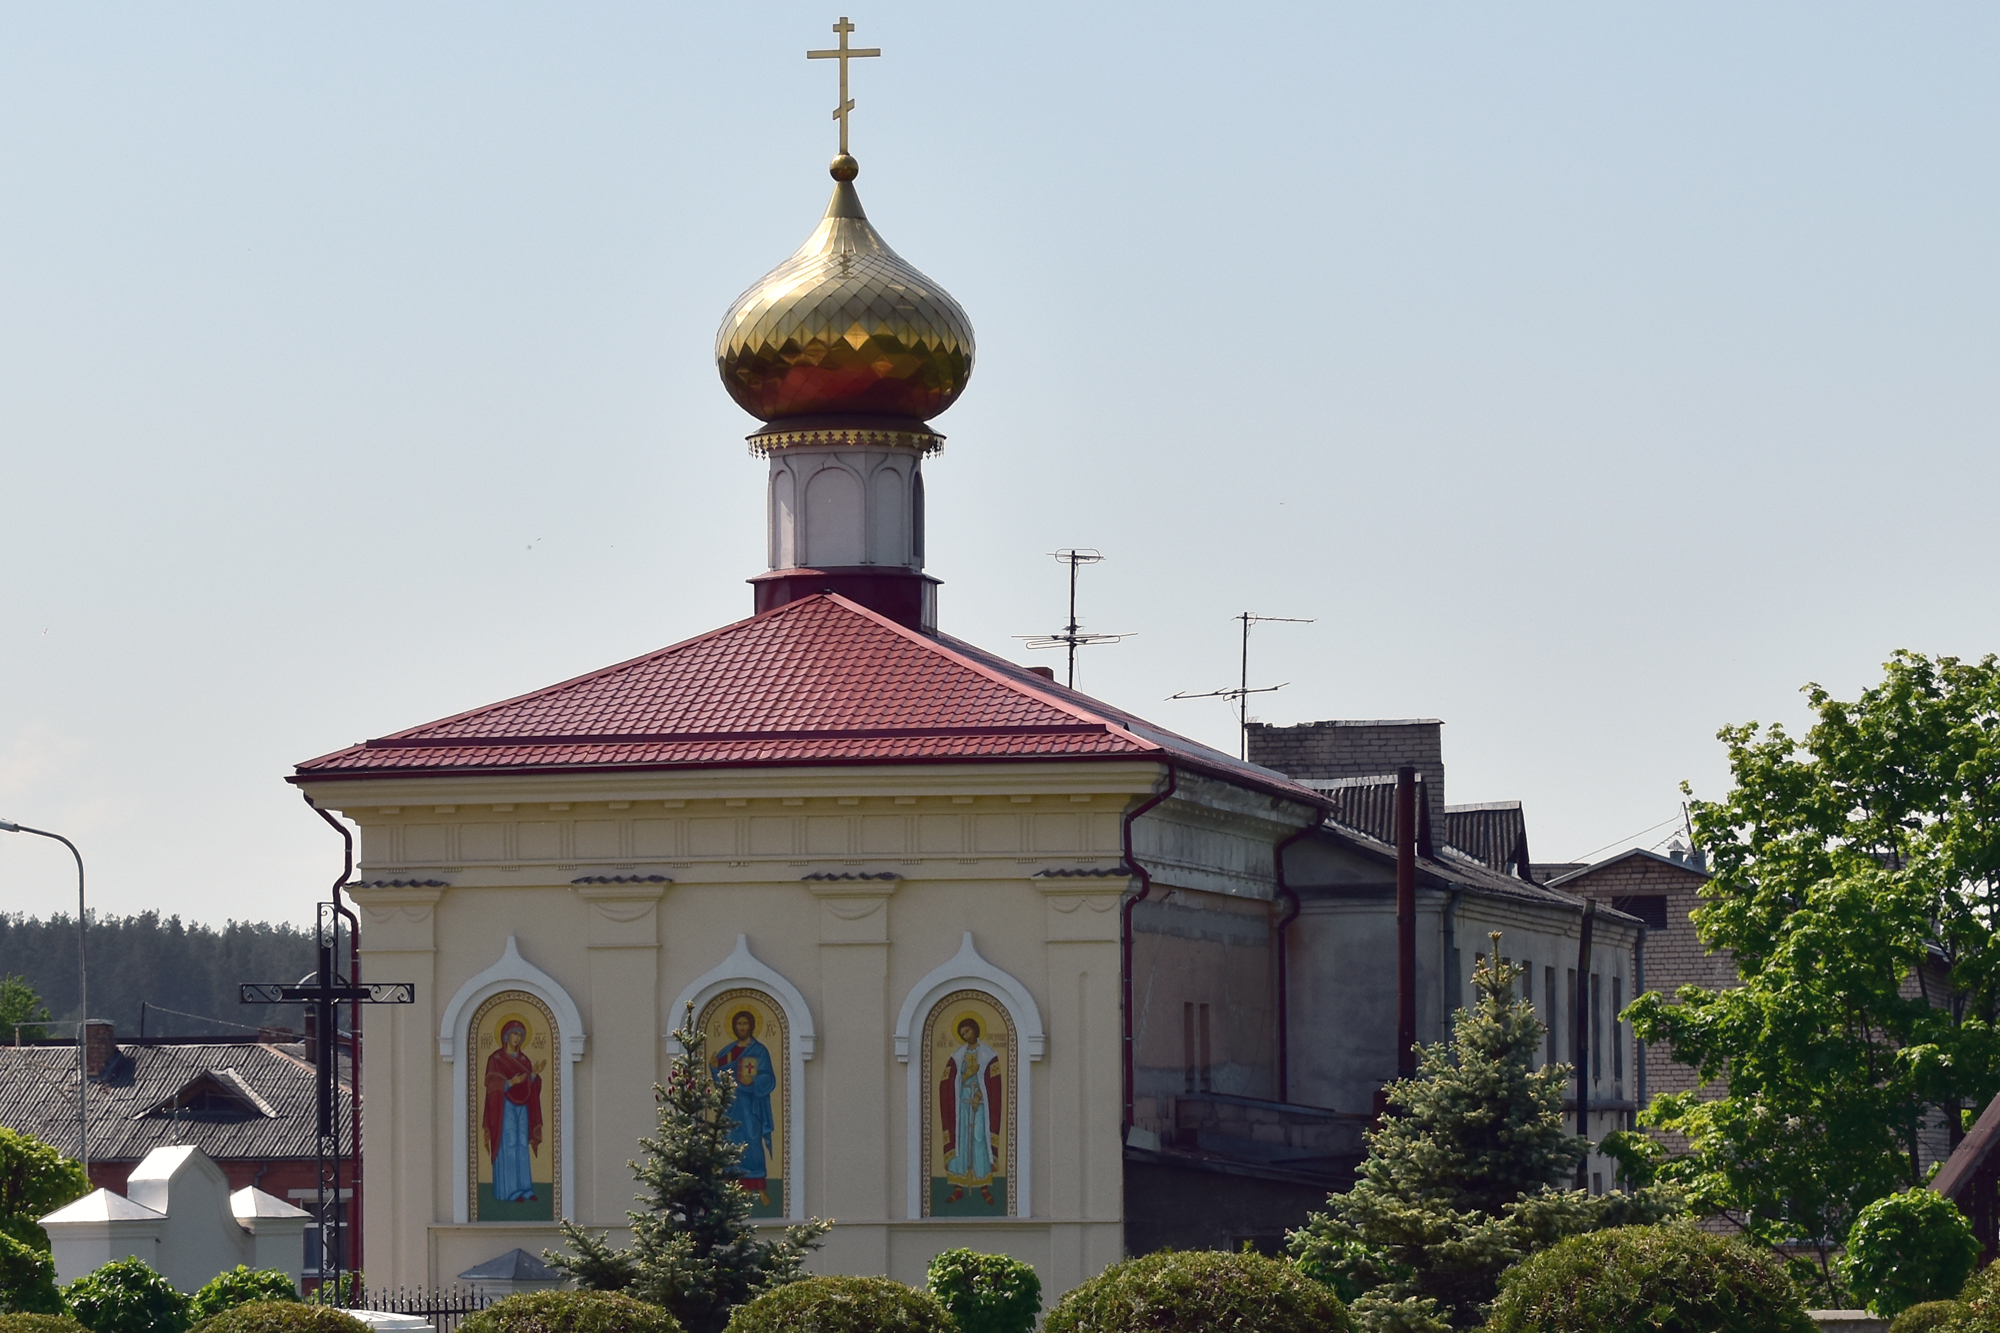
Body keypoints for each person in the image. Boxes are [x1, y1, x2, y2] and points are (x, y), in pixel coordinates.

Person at [709, 1009, 777, 1204]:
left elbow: (769, 1078)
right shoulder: (728, 1051)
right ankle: (733, 1186)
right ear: (734, 1027)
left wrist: (753, 1080)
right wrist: (714, 1067)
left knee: (753, 1140)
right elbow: (720, 1079)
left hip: (752, 1105)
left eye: (745, 1024)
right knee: (731, 1140)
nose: (742, 1028)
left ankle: (760, 1188)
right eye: (739, 1024)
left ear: (752, 1027)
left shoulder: (760, 1051)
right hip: (732, 1105)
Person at [939, 1015, 1003, 1206]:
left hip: (981, 1105)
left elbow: (994, 1086)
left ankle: (983, 1186)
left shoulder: (989, 1055)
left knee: (979, 1139)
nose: (965, 1035)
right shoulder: (957, 1056)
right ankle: (958, 1187)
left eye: (967, 1030)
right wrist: (966, 1074)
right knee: (961, 1140)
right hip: (961, 1106)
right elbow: (946, 1084)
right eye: (962, 1033)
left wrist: (979, 1097)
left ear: (975, 1029)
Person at [482, 1018, 544, 1203]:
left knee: (521, 1144)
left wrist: (533, 1075)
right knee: (508, 1143)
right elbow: (491, 1085)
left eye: (520, 1035)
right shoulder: (496, 1059)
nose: (517, 1038)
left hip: (522, 1106)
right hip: (504, 1106)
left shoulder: (524, 1060)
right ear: (506, 1036)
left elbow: (530, 1085)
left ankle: (525, 1188)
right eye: (514, 1034)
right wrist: (510, 1083)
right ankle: (509, 1190)